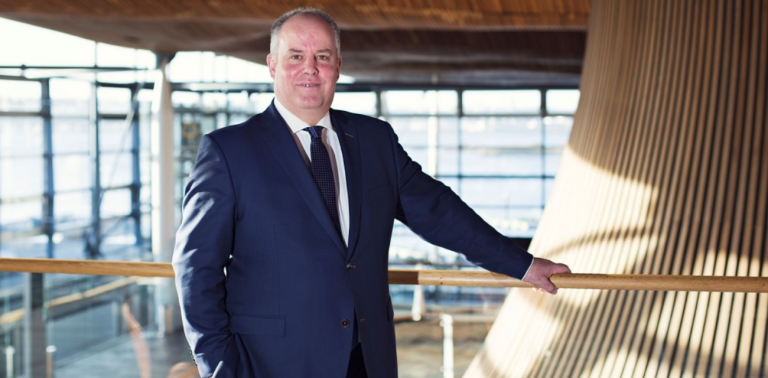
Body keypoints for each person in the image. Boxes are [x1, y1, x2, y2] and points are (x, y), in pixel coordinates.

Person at [172, 7, 571, 378]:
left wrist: (523, 265)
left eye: (323, 56)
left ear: (338, 67)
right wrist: (221, 367)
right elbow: (195, 268)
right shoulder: (229, 151)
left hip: (367, 357)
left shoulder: (374, 139)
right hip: (272, 362)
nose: (310, 68)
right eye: (295, 56)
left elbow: (437, 210)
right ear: (272, 65)